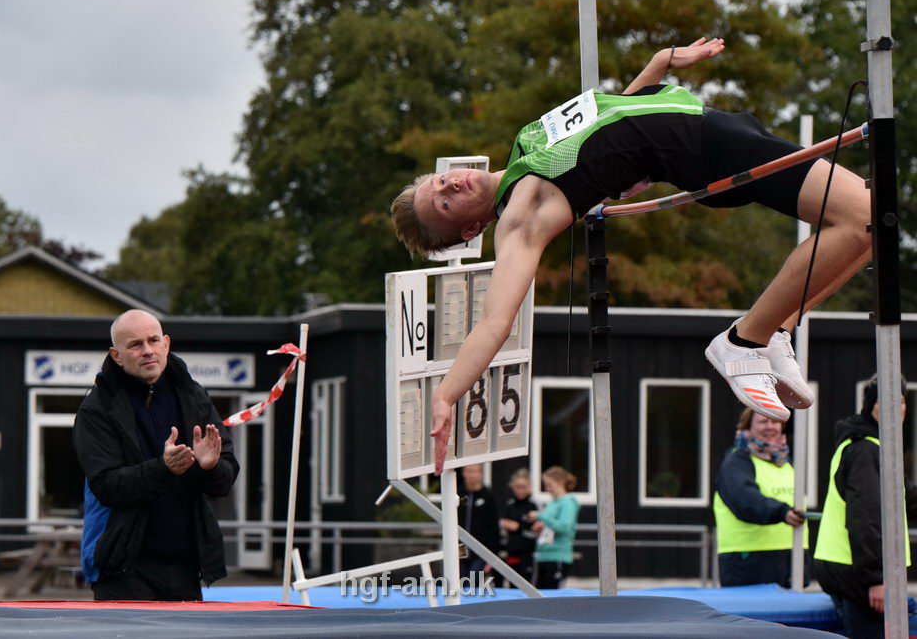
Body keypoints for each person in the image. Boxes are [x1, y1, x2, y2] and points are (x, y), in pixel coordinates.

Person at [390, 38, 871, 473]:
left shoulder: (524, 144)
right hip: (703, 149)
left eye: (439, 183)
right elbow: (495, 321)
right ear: (472, 227)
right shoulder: (520, 216)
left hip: (709, 126)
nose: (450, 183)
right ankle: (744, 341)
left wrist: (656, 67)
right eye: (446, 203)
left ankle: (776, 330)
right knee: (861, 217)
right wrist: (448, 394)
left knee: (872, 227)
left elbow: (613, 116)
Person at [73, 309, 240, 601]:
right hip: (122, 567)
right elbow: (107, 486)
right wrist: (163, 468)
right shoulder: (97, 409)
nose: (147, 351)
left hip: (187, 565)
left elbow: (223, 481)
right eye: (135, 345)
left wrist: (209, 467)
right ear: (116, 355)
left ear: (166, 344)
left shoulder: (193, 396)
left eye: (153, 341)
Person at [814, 374, 910, 638]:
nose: (896, 409)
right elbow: (865, 517)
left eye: (900, 402)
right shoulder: (865, 449)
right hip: (857, 574)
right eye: (887, 401)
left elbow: (894, 505)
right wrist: (876, 579)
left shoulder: (872, 445)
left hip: (851, 569)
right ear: (871, 406)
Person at [713, 408, 808, 588]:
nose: (770, 427)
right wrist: (781, 512)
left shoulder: (785, 462)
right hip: (748, 560)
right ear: (748, 426)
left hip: (789, 557)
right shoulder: (737, 461)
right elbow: (745, 499)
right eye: (762, 421)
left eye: (775, 421)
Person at [529, 466, 579, 589]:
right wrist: (540, 527)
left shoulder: (568, 503)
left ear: (560, 482)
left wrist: (541, 516)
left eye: (549, 485)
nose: (547, 489)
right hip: (543, 555)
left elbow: (564, 527)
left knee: (552, 598)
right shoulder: (552, 503)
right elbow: (551, 525)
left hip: (558, 556)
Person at [458, 463, 500, 585]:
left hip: (480, 550)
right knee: (458, 582)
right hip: (460, 548)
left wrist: (492, 556)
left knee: (472, 581)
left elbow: (493, 527)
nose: (470, 475)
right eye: (468, 471)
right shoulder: (458, 493)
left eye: (474, 471)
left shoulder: (488, 496)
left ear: (481, 473)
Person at [499, 468, 538, 586]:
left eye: (523, 487)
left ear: (529, 487)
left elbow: (536, 532)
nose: (520, 490)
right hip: (512, 553)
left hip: (528, 554)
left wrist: (519, 527)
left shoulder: (533, 505)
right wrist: (505, 524)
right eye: (517, 487)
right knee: (512, 587)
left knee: (526, 586)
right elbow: (503, 522)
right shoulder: (510, 504)